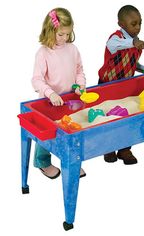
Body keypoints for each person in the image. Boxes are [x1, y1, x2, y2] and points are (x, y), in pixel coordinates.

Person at [32, 8, 86, 179]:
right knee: (47, 134)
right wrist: (51, 94)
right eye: (61, 34)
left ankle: (72, 160)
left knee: (72, 129)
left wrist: (80, 86)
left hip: (70, 99)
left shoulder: (72, 49)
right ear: (50, 30)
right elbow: (36, 80)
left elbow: (79, 70)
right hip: (49, 102)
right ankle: (42, 162)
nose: (65, 38)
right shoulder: (43, 53)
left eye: (68, 34)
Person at [98, 5, 144, 165]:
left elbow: (132, 63)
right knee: (108, 116)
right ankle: (108, 147)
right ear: (121, 24)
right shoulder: (115, 39)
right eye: (134, 24)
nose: (138, 27)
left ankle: (125, 148)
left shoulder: (135, 43)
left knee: (128, 115)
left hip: (126, 85)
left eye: (140, 23)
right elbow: (119, 45)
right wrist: (134, 42)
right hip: (107, 85)